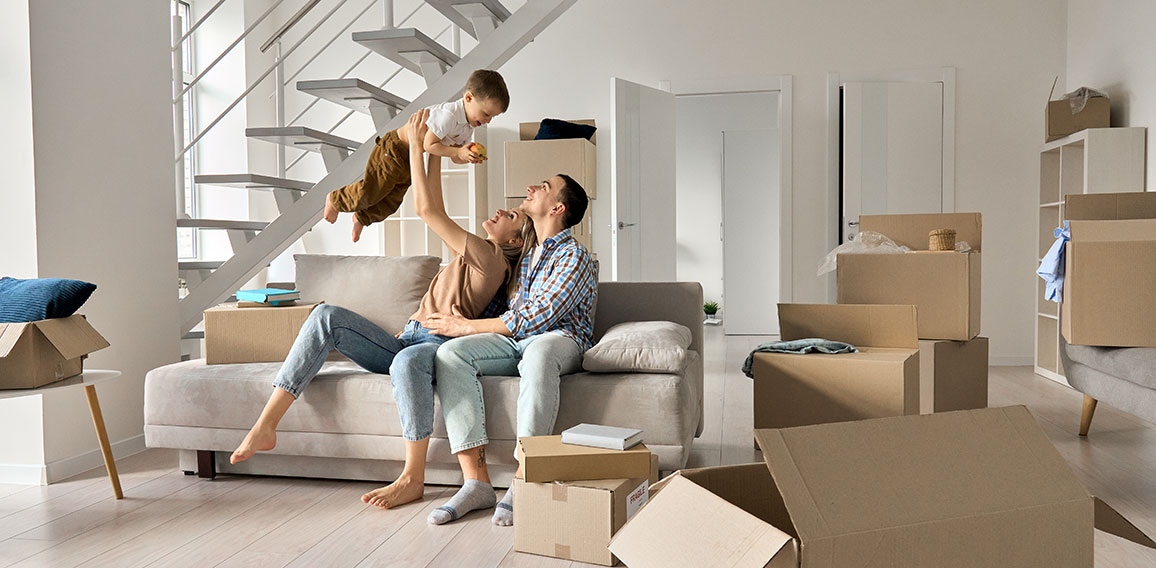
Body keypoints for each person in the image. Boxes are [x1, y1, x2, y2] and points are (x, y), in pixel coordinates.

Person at [230, 110, 534, 512]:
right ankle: (266, 423)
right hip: (406, 338)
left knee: (408, 360)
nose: (499, 212)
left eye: (510, 216)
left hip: (432, 347)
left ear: (515, 239)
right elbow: (437, 205)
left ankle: (412, 477)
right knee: (325, 317)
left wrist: (415, 147)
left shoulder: (491, 259)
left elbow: (428, 212)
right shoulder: (477, 253)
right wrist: (434, 146)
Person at [420, 173, 595, 526]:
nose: (531, 187)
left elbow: (539, 316)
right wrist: (463, 323)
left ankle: (524, 476)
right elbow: (508, 309)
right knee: (451, 354)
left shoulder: (575, 255)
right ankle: (476, 482)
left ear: (558, 208)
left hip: (560, 340)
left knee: (540, 352)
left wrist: (467, 326)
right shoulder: (529, 256)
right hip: (517, 342)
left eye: (543, 187)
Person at [324, 69, 509, 242]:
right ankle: (335, 199)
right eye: (486, 113)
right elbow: (430, 145)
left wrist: (466, 157)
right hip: (394, 150)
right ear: (468, 97)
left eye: (492, 117)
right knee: (371, 191)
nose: (487, 120)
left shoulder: (467, 127)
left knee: (392, 201)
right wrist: (458, 151)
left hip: (411, 159)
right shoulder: (449, 115)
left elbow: (453, 156)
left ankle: (361, 218)